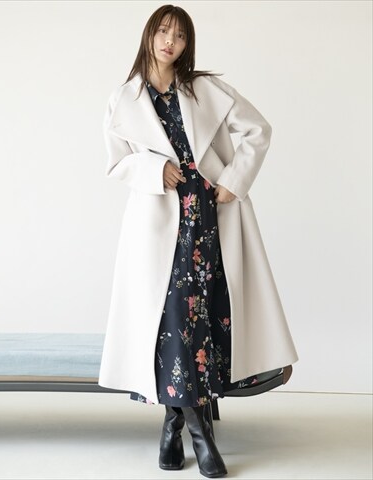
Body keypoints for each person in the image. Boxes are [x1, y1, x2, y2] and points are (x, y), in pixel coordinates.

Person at [98, 4, 298, 478]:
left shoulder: (205, 88)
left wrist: (233, 180)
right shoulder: (123, 99)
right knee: (172, 319)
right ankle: (199, 435)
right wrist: (154, 170)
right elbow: (116, 162)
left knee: (200, 318)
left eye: (180, 36)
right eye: (163, 31)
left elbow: (258, 130)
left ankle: (173, 426)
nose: (170, 42)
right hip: (159, 225)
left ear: (187, 45)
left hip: (209, 217)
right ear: (149, 35)